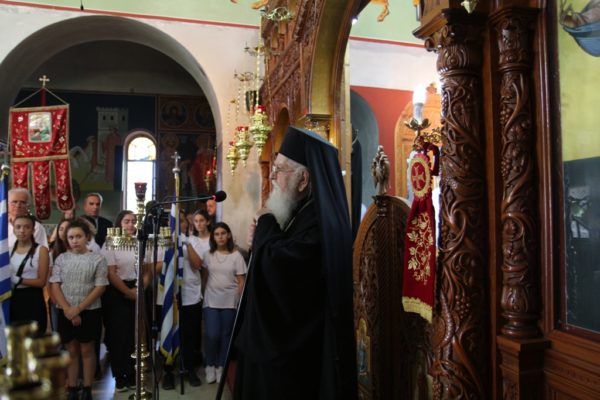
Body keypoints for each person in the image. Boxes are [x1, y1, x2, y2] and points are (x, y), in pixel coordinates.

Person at [232, 126, 357, 400]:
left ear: (304, 180)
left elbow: (283, 272)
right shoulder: (300, 213)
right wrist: (262, 239)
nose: (272, 176)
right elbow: (275, 254)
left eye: (280, 169)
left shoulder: (321, 223)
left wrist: (265, 222)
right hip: (282, 357)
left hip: (297, 365)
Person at [49, 218, 108, 400]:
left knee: (87, 350)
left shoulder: (97, 258)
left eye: (78, 236)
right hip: (65, 310)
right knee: (71, 350)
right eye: (71, 237)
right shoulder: (61, 258)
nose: (75, 240)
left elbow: (100, 286)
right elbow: (55, 285)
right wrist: (68, 309)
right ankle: (72, 387)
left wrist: (79, 308)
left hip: (89, 310)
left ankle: (88, 388)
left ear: (87, 237)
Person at [159, 210, 204, 389]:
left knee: (189, 336)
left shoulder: (194, 241)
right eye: (176, 221)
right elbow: (157, 267)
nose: (179, 224)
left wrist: (186, 243)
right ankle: (168, 372)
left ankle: (189, 369)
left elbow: (197, 264)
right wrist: (170, 253)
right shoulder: (163, 241)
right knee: (169, 332)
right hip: (170, 297)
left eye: (183, 221)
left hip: (190, 296)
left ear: (187, 223)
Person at [202, 222, 246, 384]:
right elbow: (204, 277)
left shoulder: (237, 256)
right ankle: (210, 365)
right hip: (211, 300)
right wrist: (202, 294)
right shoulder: (208, 255)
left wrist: (238, 300)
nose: (220, 237)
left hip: (230, 301)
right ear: (213, 237)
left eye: (223, 233)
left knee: (226, 335)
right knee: (212, 334)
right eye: (216, 234)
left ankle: (221, 366)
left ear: (228, 235)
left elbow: (241, 281)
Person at [100, 210, 139, 392]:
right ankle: (120, 375)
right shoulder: (111, 242)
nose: (130, 225)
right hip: (116, 291)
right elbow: (111, 272)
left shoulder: (139, 241)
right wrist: (127, 292)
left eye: (133, 221)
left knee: (133, 335)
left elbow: (147, 268)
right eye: (126, 221)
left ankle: (132, 373)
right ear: (119, 223)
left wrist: (138, 289)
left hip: (136, 288)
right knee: (118, 335)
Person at [9, 214, 50, 332]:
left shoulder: (41, 250)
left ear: (33, 230)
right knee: (15, 337)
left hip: (32, 298)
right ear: (13, 229)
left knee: (34, 336)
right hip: (12, 297)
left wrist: (18, 280)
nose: (22, 231)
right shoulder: (8, 250)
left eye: (27, 227)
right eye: (18, 227)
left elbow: (41, 282)